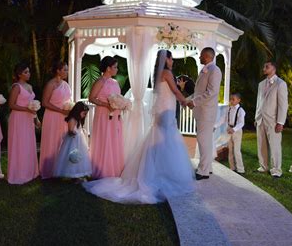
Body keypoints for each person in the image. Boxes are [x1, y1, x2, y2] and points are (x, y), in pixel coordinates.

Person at [82, 50, 195, 204]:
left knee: (161, 140)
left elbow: (170, 90)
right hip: (165, 109)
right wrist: (186, 102)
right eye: (171, 58)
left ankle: (157, 170)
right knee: (166, 141)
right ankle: (165, 173)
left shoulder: (158, 74)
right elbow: (174, 90)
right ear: (167, 59)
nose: (173, 61)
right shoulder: (167, 73)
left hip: (161, 109)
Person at [187, 47, 222, 180]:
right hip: (202, 111)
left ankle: (203, 171)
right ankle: (207, 167)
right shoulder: (206, 69)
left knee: (203, 140)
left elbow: (211, 92)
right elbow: (200, 91)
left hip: (206, 112)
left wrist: (194, 102)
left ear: (207, 56)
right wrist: (191, 100)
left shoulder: (215, 70)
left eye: (201, 56)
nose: (200, 58)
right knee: (205, 140)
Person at [88, 56, 124, 179]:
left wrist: (122, 104)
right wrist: (106, 105)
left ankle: (114, 168)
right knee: (105, 138)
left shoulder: (115, 82)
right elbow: (91, 98)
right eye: (115, 67)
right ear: (108, 68)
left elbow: (118, 97)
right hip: (103, 115)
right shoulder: (100, 81)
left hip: (115, 116)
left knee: (114, 139)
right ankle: (103, 169)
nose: (117, 69)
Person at [7, 63, 40, 185]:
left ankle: (29, 171)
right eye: (25, 72)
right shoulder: (16, 87)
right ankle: (18, 173)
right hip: (18, 118)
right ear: (19, 74)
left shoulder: (30, 86)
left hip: (28, 118)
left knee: (28, 144)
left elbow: (32, 105)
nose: (28, 74)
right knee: (19, 144)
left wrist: (36, 118)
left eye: (29, 71)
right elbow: (11, 105)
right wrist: (27, 109)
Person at [254, 61, 288, 177]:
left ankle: (276, 170)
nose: (264, 68)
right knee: (261, 144)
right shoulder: (261, 84)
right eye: (264, 66)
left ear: (274, 68)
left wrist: (280, 122)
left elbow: (283, 105)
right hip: (260, 119)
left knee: (275, 146)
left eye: (266, 67)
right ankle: (263, 166)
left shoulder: (281, 84)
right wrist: (256, 117)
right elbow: (259, 102)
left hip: (273, 121)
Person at [40, 61, 72, 179]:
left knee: (62, 141)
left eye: (67, 70)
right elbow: (44, 102)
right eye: (65, 70)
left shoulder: (66, 84)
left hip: (64, 117)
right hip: (52, 116)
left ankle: (62, 169)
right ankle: (49, 169)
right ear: (58, 71)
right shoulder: (51, 84)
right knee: (52, 141)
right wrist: (60, 110)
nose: (66, 72)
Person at [54, 102, 92, 180]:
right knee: (72, 155)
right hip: (73, 140)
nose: (84, 116)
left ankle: (79, 172)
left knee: (81, 155)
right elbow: (70, 130)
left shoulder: (78, 120)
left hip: (79, 140)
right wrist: (74, 133)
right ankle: (70, 172)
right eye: (84, 113)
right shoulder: (72, 119)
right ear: (78, 111)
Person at [223, 93, 246, 174]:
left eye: (233, 99)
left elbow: (241, 123)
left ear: (238, 100)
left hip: (237, 131)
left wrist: (234, 129)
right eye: (231, 99)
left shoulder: (240, 110)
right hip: (229, 130)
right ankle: (232, 167)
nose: (231, 101)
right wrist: (228, 127)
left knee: (236, 150)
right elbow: (226, 120)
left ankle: (241, 169)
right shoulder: (229, 109)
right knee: (230, 150)